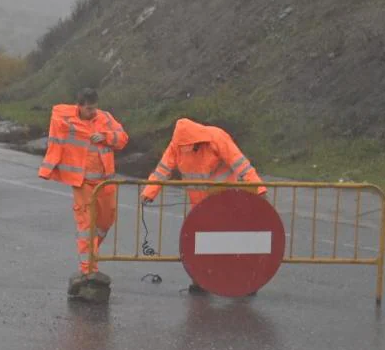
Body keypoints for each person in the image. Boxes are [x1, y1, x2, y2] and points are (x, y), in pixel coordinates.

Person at [141, 118, 266, 294]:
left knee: (231, 240)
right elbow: (163, 169)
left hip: (224, 199)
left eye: (188, 146)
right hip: (199, 204)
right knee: (198, 242)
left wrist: (258, 188)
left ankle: (245, 281)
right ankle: (200, 280)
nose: (185, 149)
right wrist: (150, 191)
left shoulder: (217, 138)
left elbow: (241, 165)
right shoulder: (176, 145)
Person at [38, 88, 129, 298]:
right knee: (86, 226)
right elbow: (56, 137)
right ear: (79, 106)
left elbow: (123, 139)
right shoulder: (67, 121)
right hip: (83, 183)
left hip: (105, 181)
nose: (92, 112)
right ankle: (89, 270)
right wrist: (49, 168)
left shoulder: (105, 118)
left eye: (95, 107)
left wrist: (105, 136)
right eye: (89, 109)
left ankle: (91, 256)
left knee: (105, 222)